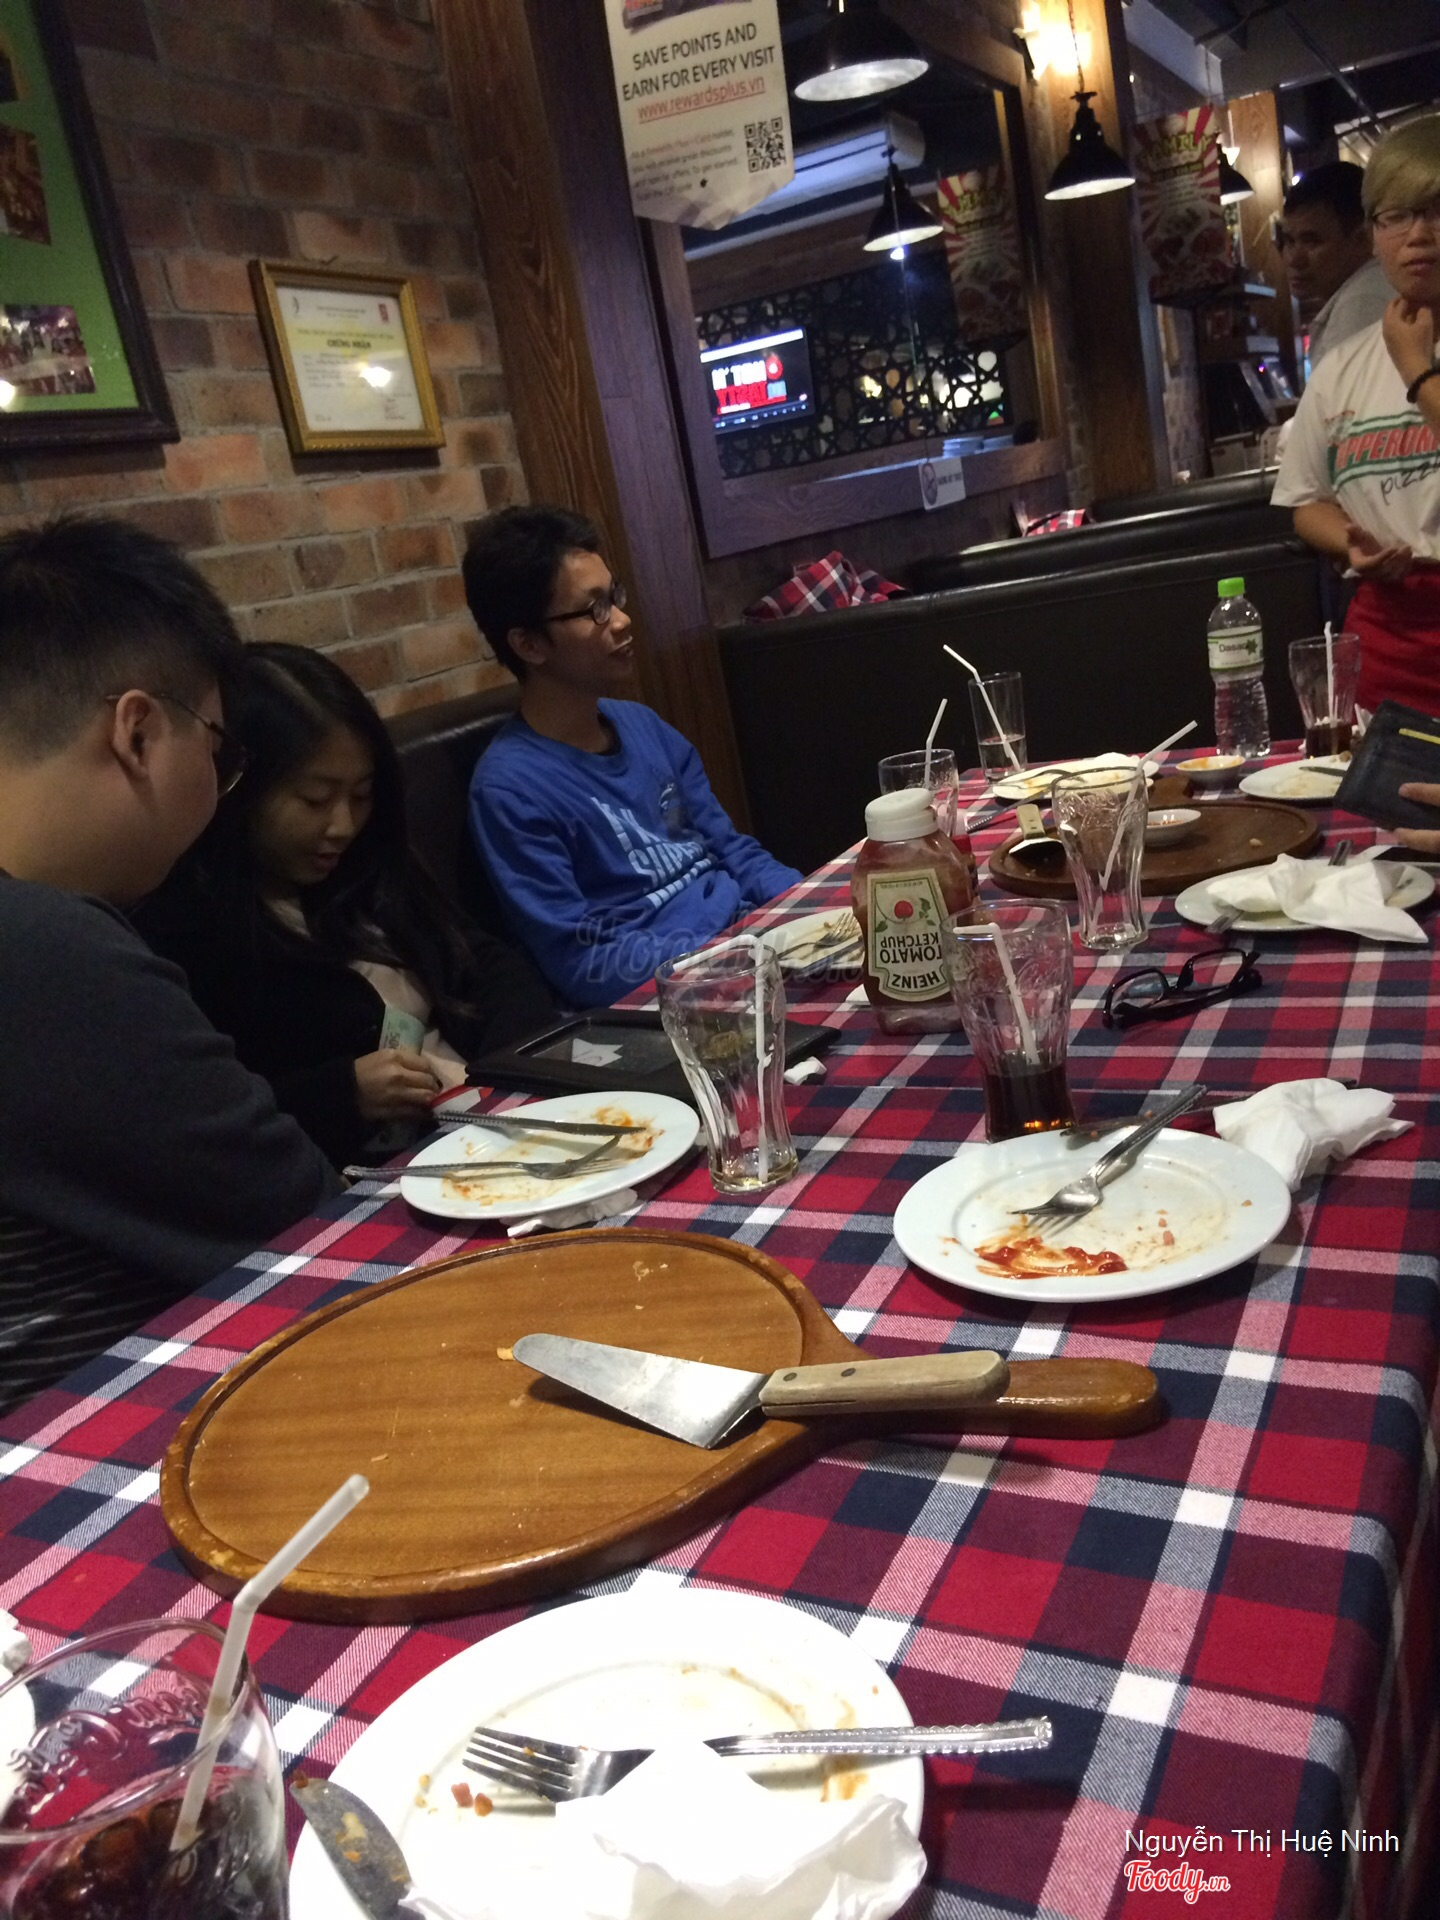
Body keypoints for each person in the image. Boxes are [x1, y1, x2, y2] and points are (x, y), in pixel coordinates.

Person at [0, 518, 339, 1413]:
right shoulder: (43, 951)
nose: (219, 787)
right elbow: (311, 1231)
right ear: (140, 732)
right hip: (95, 1454)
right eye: (219, 751)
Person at [137, 644, 553, 1170]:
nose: (344, 825)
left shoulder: (367, 867)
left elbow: (487, 963)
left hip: (489, 1123)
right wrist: (340, 1093)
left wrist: (506, 1076)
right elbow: (206, 1118)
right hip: (375, 1173)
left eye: (361, 795)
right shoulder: (195, 929)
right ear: (241, 788)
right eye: (315, 800)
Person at [462, 506, 802, 1006]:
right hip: (676, 995)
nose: (622, 620)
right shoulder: (510, 790)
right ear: (529, 644)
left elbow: (733, 851)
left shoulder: (642, 724)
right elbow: (583, 962)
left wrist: (808, 905)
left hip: (751, 945)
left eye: (614, 596)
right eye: (594, 609)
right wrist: (729, 957)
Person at [1273, 117, 1440, 715]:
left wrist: (1415, 367)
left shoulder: (1402, 356)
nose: (1418, 234)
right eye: (1396, 216)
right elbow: (1306, 501)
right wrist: (1351, 543)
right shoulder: (1342, 367)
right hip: (1385, 635)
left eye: (1436, 211)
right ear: (1373, 235)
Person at [1277, 162, 1392, 367]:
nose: (1295, 260)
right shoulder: (1372, 288)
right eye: (1289, 241)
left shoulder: (1361, 302)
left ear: (1363, 239)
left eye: (1311, 242)